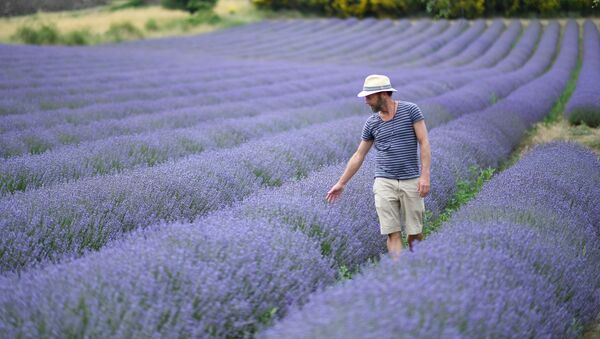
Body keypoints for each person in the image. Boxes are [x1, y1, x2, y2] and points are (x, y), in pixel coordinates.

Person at [326, 74, 431, 259]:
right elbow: (359, 154)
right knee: (392, 232)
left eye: (369, 97)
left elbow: (424, 142)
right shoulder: (372, 123)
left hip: (411, 180)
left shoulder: (410, 110)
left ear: (383, 94)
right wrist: (341, 183)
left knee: (414, 233)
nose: (366, 102)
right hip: (384, 181)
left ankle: (416, 265)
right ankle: (398, 271)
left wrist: (425, 176)